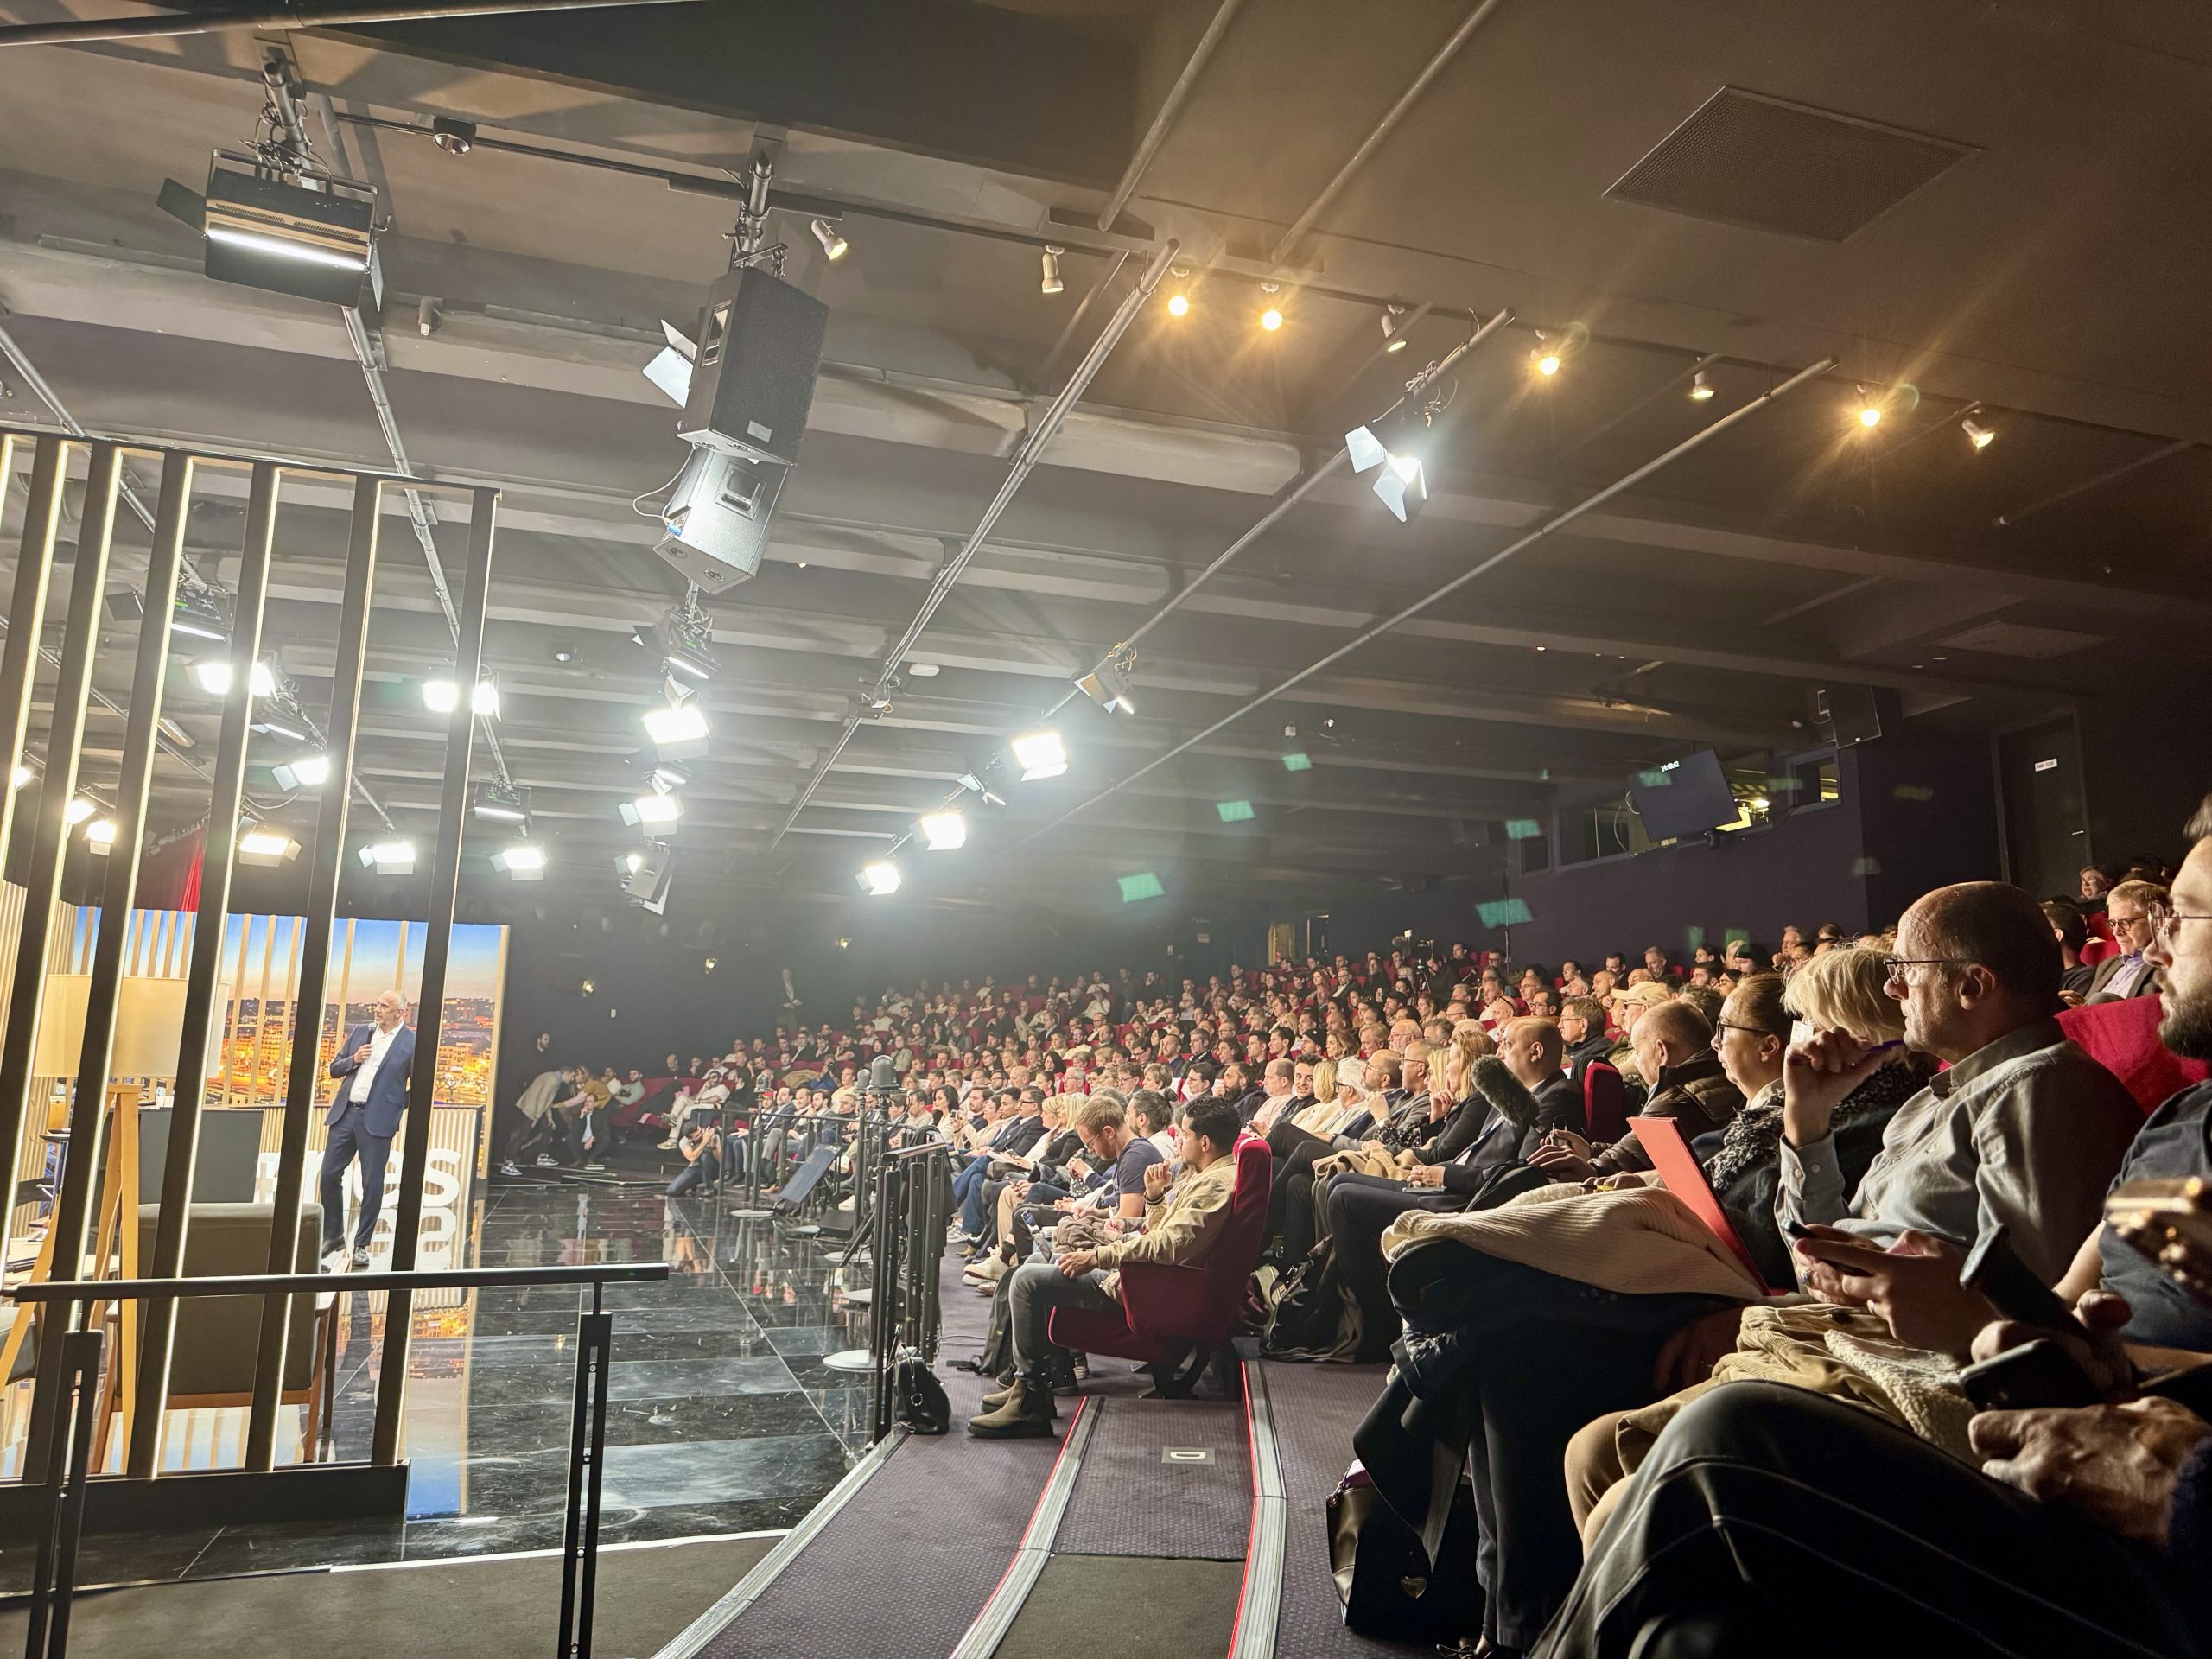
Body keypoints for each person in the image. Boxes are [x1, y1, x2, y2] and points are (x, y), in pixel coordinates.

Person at [1534, 803, 2212, 1658]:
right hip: (1947, 1363)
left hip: (1967, 1390)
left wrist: (1977, 1322)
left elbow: (2021, 1307)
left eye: (2178, 919)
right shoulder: (2177, 1114)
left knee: (1704, 1447)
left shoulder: (2046, 1090)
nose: (2151, 946)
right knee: (1640, 1530)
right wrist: (1806, 1125)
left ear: (1971, 985)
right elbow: (2070, 1303)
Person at [969, 1098, 1247, 1438]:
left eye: (1184, 1134)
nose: (1178, 1141)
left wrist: (1098, 1257)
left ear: (1204, 1142)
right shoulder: (1204, 1174)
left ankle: (1031, 1401)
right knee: (1035, 1262)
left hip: (1147, 1290)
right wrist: (1156, 1199)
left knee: (1027, 1280)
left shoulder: (1214, 1184)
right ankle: (1035, 1383)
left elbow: (1171, 1247)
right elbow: (1163, 1235)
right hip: (1146, 1279)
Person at [319, 989, 415, 1267]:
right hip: (346, 1115)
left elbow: (419, 1085)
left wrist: (394, 1107)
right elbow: (334, 1069)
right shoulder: (361, 1032)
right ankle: (334, 1235)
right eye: (377, 1004)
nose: (377, 1009)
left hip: (377, 1122)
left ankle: (361, 1244)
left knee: (371, 1185)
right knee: (328, 1175)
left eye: (384, 1006)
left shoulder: (411, 1042)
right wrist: (354, 1059)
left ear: (400, 1013)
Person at [2087, 877, 2168, 1001]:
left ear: (2157, 920)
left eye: (2125, 922)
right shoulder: (2108, 965)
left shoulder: (2168, 964)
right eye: (2112, 923)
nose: (2116, 932)